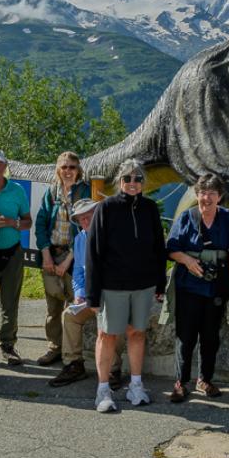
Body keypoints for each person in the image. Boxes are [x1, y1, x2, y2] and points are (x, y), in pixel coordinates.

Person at [86, 159, 166, 413]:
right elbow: (93, 252)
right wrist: (93, 294)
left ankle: (136, 385)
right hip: (112, 285)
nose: (133, 183)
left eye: (138, 179)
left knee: (137, 333)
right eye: (128, 178)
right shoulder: (106, 208)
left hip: (142, 285)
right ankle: (103, 389)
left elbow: (158, 248)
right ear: (119, 182)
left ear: (144, 182)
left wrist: (160, 281)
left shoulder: (150, 209)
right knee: (107, 335)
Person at [165, 174, 229, 402]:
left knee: (210, 336)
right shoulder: (187, 218)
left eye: (211, 193)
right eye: (202, 193)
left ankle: (205, 379)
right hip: (189, 286)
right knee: (185, 337)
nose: (206, 198)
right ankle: (181, 381)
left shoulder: (228, 219)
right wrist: (187, 260)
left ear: (220, 196)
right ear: (196, 194)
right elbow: (171, 249)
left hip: (216, 287)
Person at [46, 197, 124, 387]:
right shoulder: (80, 238)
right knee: (69, 316)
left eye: (88, 216)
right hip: (91, 297)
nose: (85, 222)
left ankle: (113, 369)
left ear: (98, 215)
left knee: (109, 321)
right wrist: (80, 293)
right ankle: (74, 364)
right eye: (80, 219)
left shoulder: (114, 236)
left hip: (113, 296)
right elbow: (79, 273)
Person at [33, 151, 91, 366]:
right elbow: (40, 224)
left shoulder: (85, 191)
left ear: (78, 170)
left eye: (72, 167)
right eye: (64, 167)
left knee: (74, 304)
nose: (68, 171)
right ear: (58, 169)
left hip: (74, 257)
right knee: (53, 307)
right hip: (52, 253)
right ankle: (54, 347)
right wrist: (46, 254)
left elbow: (87, 226)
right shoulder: (52, 192)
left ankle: (71, 353)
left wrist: (68, 261)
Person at [0, 149, 32, 367]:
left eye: (0, 164)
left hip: (12, 252)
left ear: (5, 166)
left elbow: (27, 221)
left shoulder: (17, 190)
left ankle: (8, 345)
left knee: (10, 303)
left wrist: (12, 223)